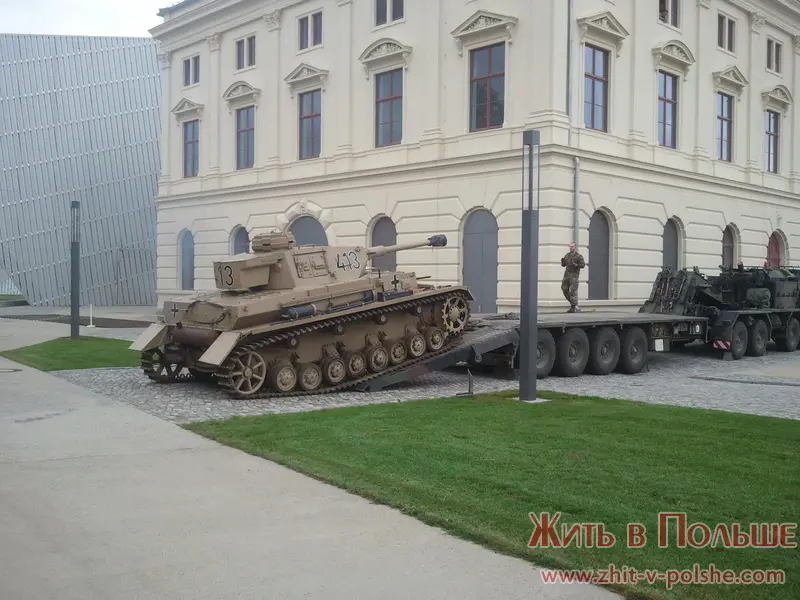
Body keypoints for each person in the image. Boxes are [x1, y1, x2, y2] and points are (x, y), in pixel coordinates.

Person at [561, 241, 585, 313]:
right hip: (567, 275)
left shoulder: (578, 256)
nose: (570, 248)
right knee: (564, 289)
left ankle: (573, 307)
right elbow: (564, 265)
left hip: (574, 275)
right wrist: (563, 261)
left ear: (575, 247)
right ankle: (573, 303)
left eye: (572, 246)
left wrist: (576, 265)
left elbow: (583, 265)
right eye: (570, 246)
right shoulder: (567, 255)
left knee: (573, 291)